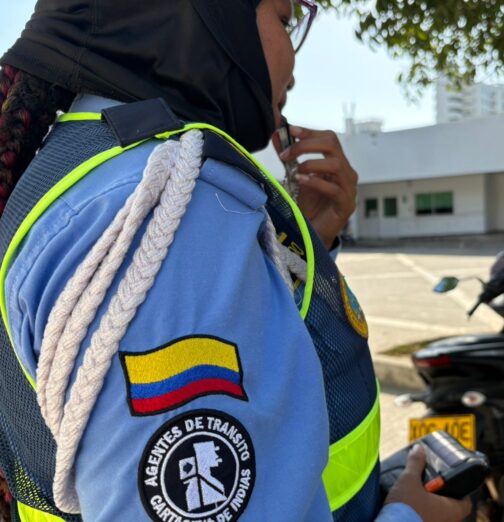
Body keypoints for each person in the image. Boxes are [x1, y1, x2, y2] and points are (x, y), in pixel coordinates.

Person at [0, 1, 473, 521]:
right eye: (286, 20)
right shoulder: (172, 211)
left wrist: (300, 250)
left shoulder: (88, 165)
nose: (294, 59)